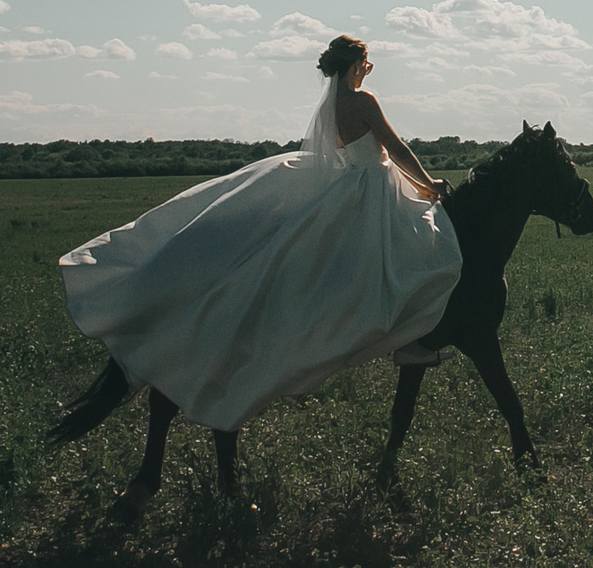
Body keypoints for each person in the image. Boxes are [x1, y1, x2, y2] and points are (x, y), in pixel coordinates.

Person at [57, 34, 463, 433]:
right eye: (367, 65)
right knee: (424, 251)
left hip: (349, 185)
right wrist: (427, 184)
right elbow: (394, 147)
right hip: (375, 188)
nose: (367, 72)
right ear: (356, 65)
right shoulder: (363, 101)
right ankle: (411, 340)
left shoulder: (328, 108)